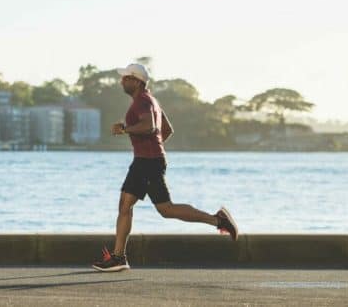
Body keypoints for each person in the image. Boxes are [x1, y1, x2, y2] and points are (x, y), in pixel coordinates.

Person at [92, 63, 238, 272]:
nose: (121, 81)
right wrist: (153, 147)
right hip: (147, 161)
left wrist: (125, 129)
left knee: (163, 209)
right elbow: (166, 130)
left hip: (147, 163)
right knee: (128, 206)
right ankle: (119, 257)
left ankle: (218, 220)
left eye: (125, 77)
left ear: (136, 81)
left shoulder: (142, 102)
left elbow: (150, 126)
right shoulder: (151, 101)